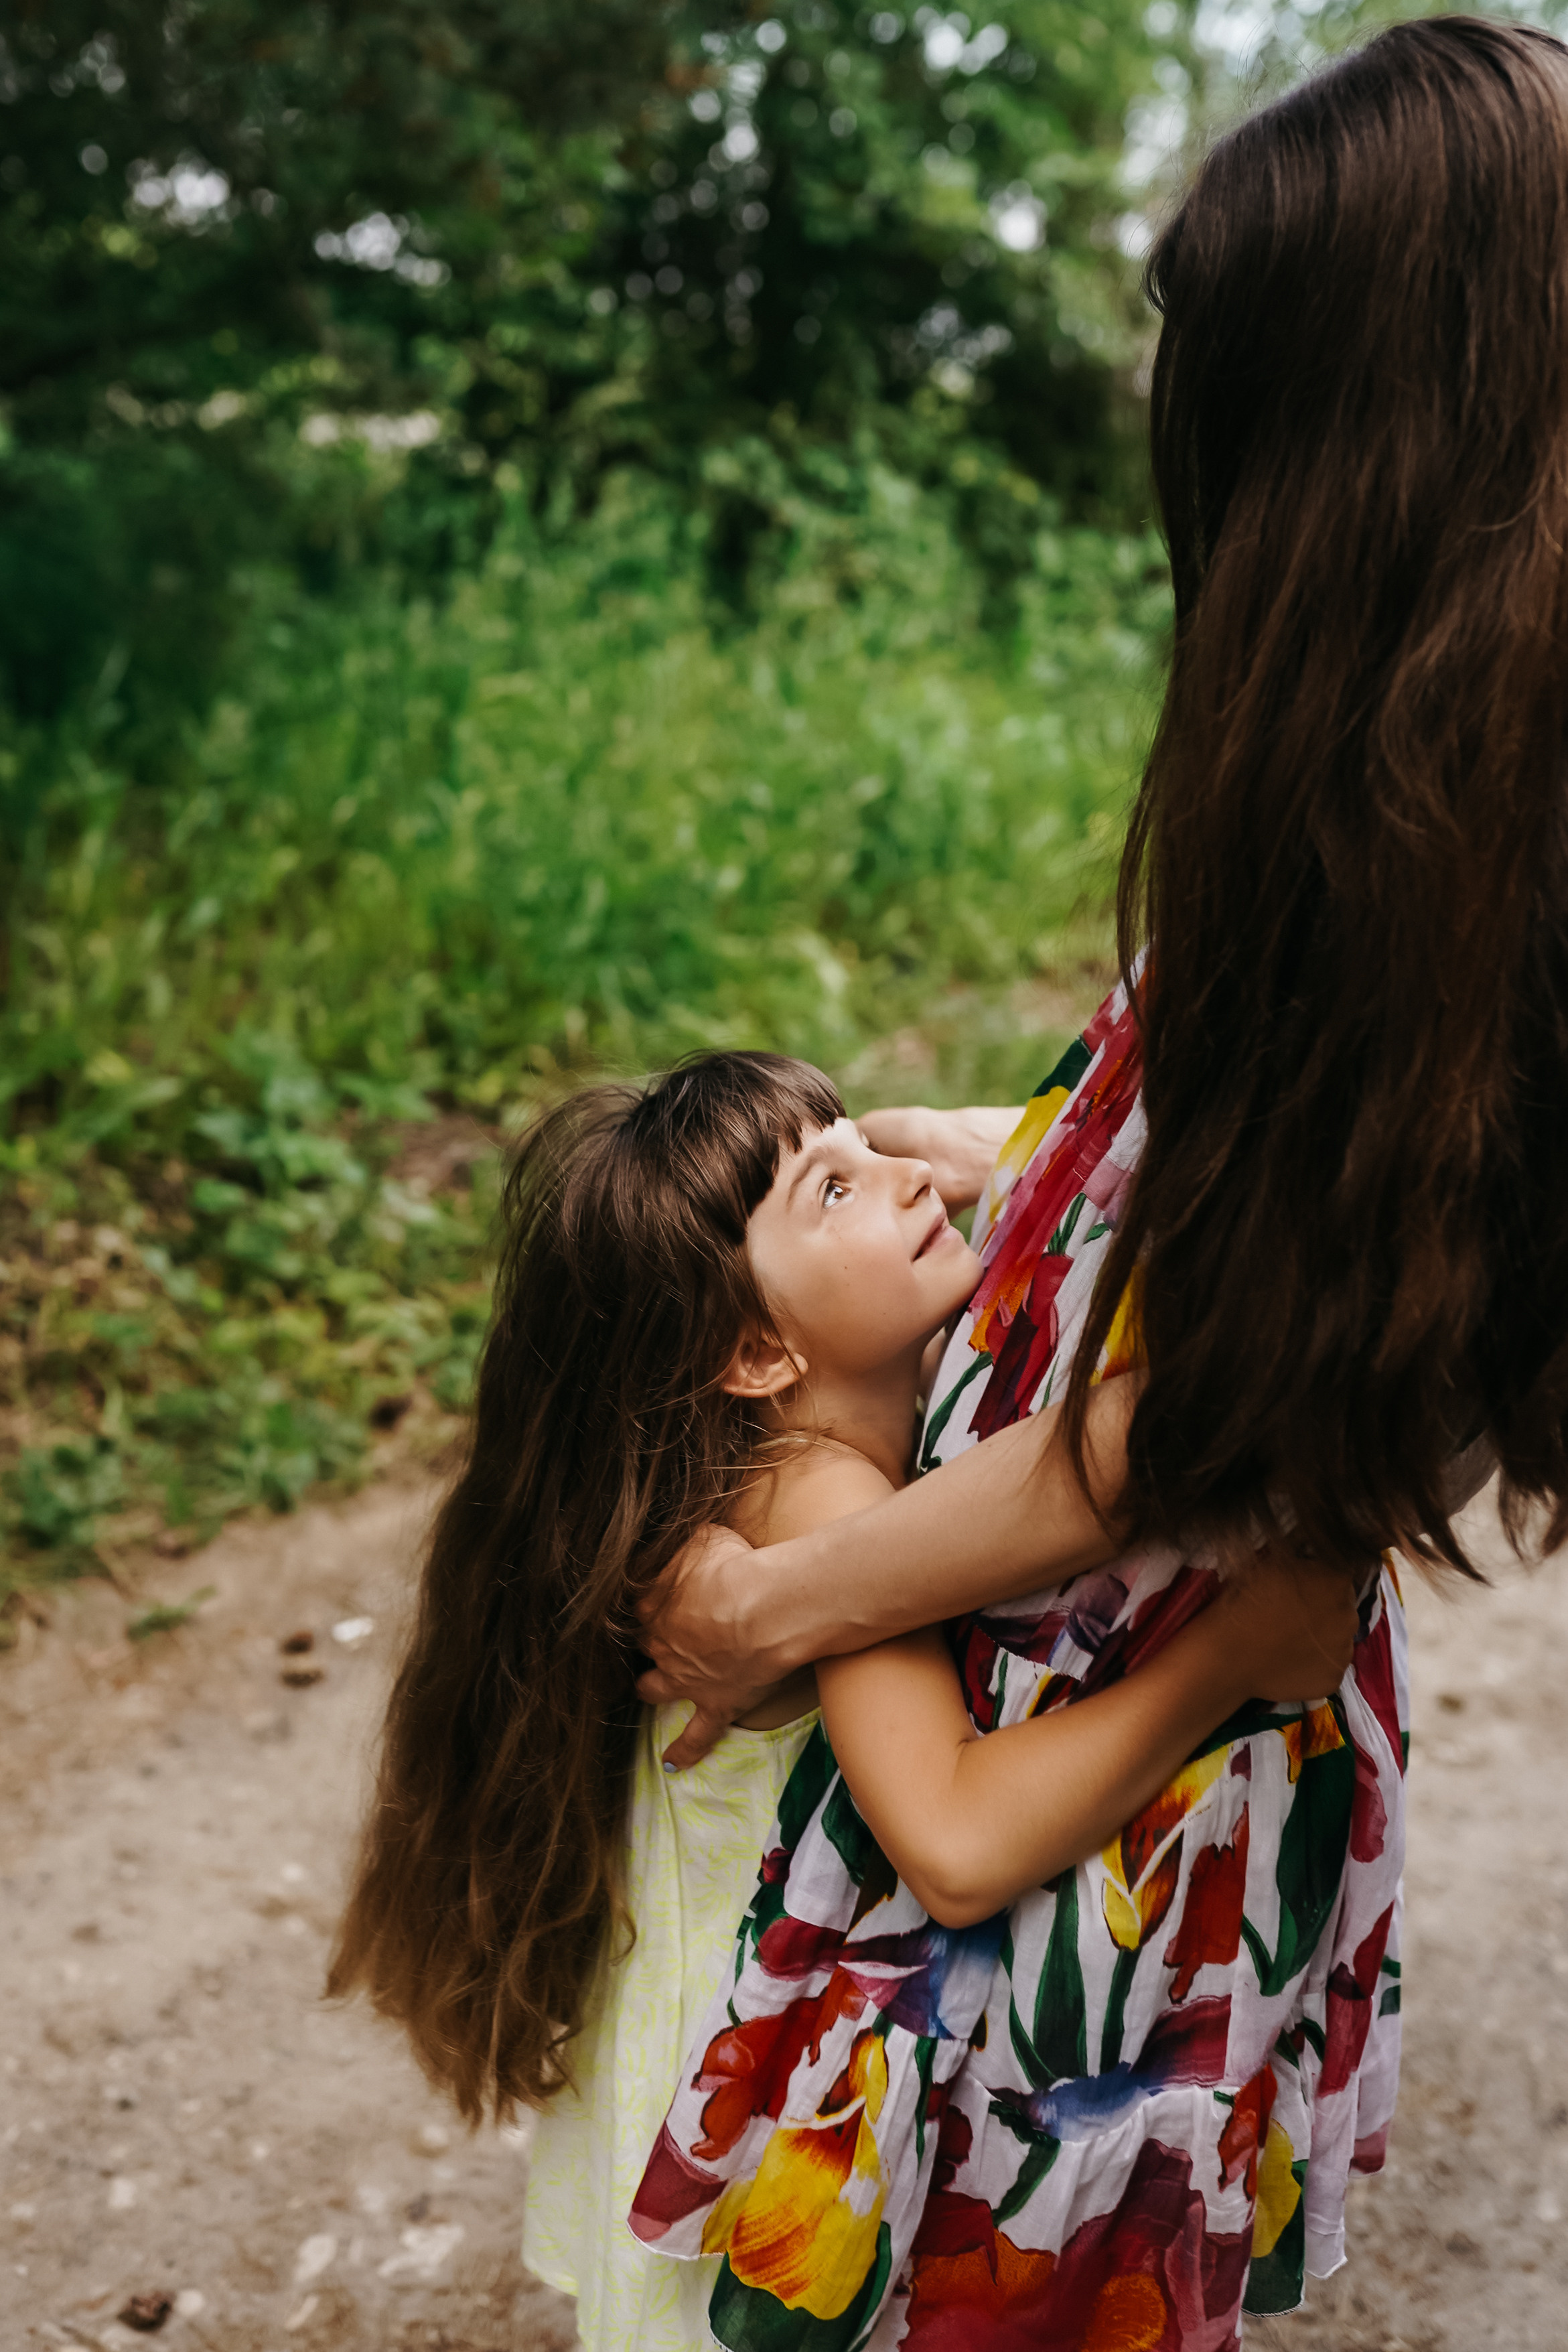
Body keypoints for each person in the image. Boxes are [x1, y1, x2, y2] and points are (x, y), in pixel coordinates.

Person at [632, 18, 1568, 2347]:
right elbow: (1284, 1150)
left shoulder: (1455, 851)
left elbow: (1227, 1413)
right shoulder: (1436, 760)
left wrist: (780, 1606)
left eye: (1212, 368)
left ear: (1350, 421)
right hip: (1158, 1687)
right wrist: (1026, 1145)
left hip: (1139, 1720)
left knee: (1027, 2233)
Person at [327, 1051, 1356, 2352]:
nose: (909, 1173)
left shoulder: (807, 1466)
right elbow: (955, 1841)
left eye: (861, 1147)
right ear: (759, 1351)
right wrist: (1231, 1655)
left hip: (727, 2048)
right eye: (832, 1188)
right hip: (766, 2099)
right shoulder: (827, 1508)